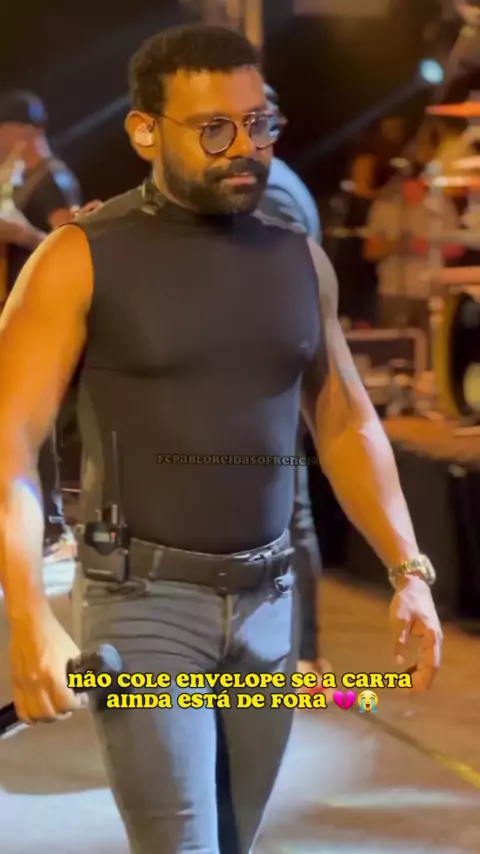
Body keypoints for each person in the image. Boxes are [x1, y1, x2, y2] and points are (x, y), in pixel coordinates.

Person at [0, 25, 442, 854]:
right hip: (142, 607)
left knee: (235, 841)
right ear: (145, 131)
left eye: (258, 123)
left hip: (270, 605)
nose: (244, 148)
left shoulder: (299, 260)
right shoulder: (77, 258)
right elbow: (9, 447)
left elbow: (346, 419)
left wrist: (408, 568)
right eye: (213, 128)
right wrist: (28, 617)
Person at [0, 90, 81, 562]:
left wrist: (24, 234)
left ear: (25, 131)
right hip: (19, 308)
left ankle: (52, 524)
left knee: (36, 418)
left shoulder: (54, 179)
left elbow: (69, 242)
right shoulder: (20, 177)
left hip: (44, 313)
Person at [364, 162, 463, 331]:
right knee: (395, 343)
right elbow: (369, 251)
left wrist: (426, 247)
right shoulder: (384, 207)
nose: (407, 188)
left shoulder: (442, 207)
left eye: (414, 183)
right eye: (404, 182)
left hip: (431, 293)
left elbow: (458, 249)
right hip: (393, 293)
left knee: (431, 344)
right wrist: (396, 245)